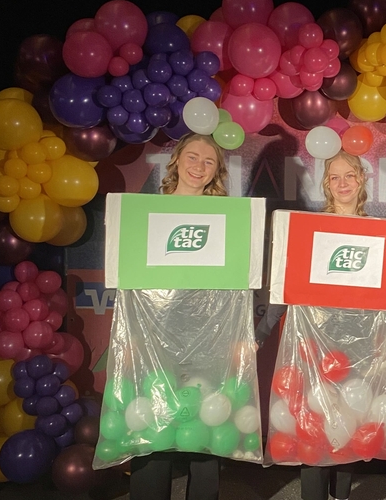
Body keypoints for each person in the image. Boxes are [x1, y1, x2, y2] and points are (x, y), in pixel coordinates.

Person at [256, 151, 367, 500]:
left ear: (361, 180)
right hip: (312, 341)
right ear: (326, 185)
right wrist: (261, 332)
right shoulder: (310, 229)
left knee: (349, 418)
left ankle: (342, 494)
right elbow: (285, 286)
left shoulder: (378, 232)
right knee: (312, 420)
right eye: (335, 177)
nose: (343, 183)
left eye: (349, 175)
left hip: (357, 342)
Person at [127, 133, 229, 500]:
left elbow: (236, 287)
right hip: (157, 337)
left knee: (205, 429)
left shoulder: (226, 218)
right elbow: (131, 283)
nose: (199, 166)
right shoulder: (148, 212)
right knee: (154, 423)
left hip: (208, 339)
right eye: (193, 157)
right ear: (176, 161)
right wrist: (132, 333)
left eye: (209, 161)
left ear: (216, 171)